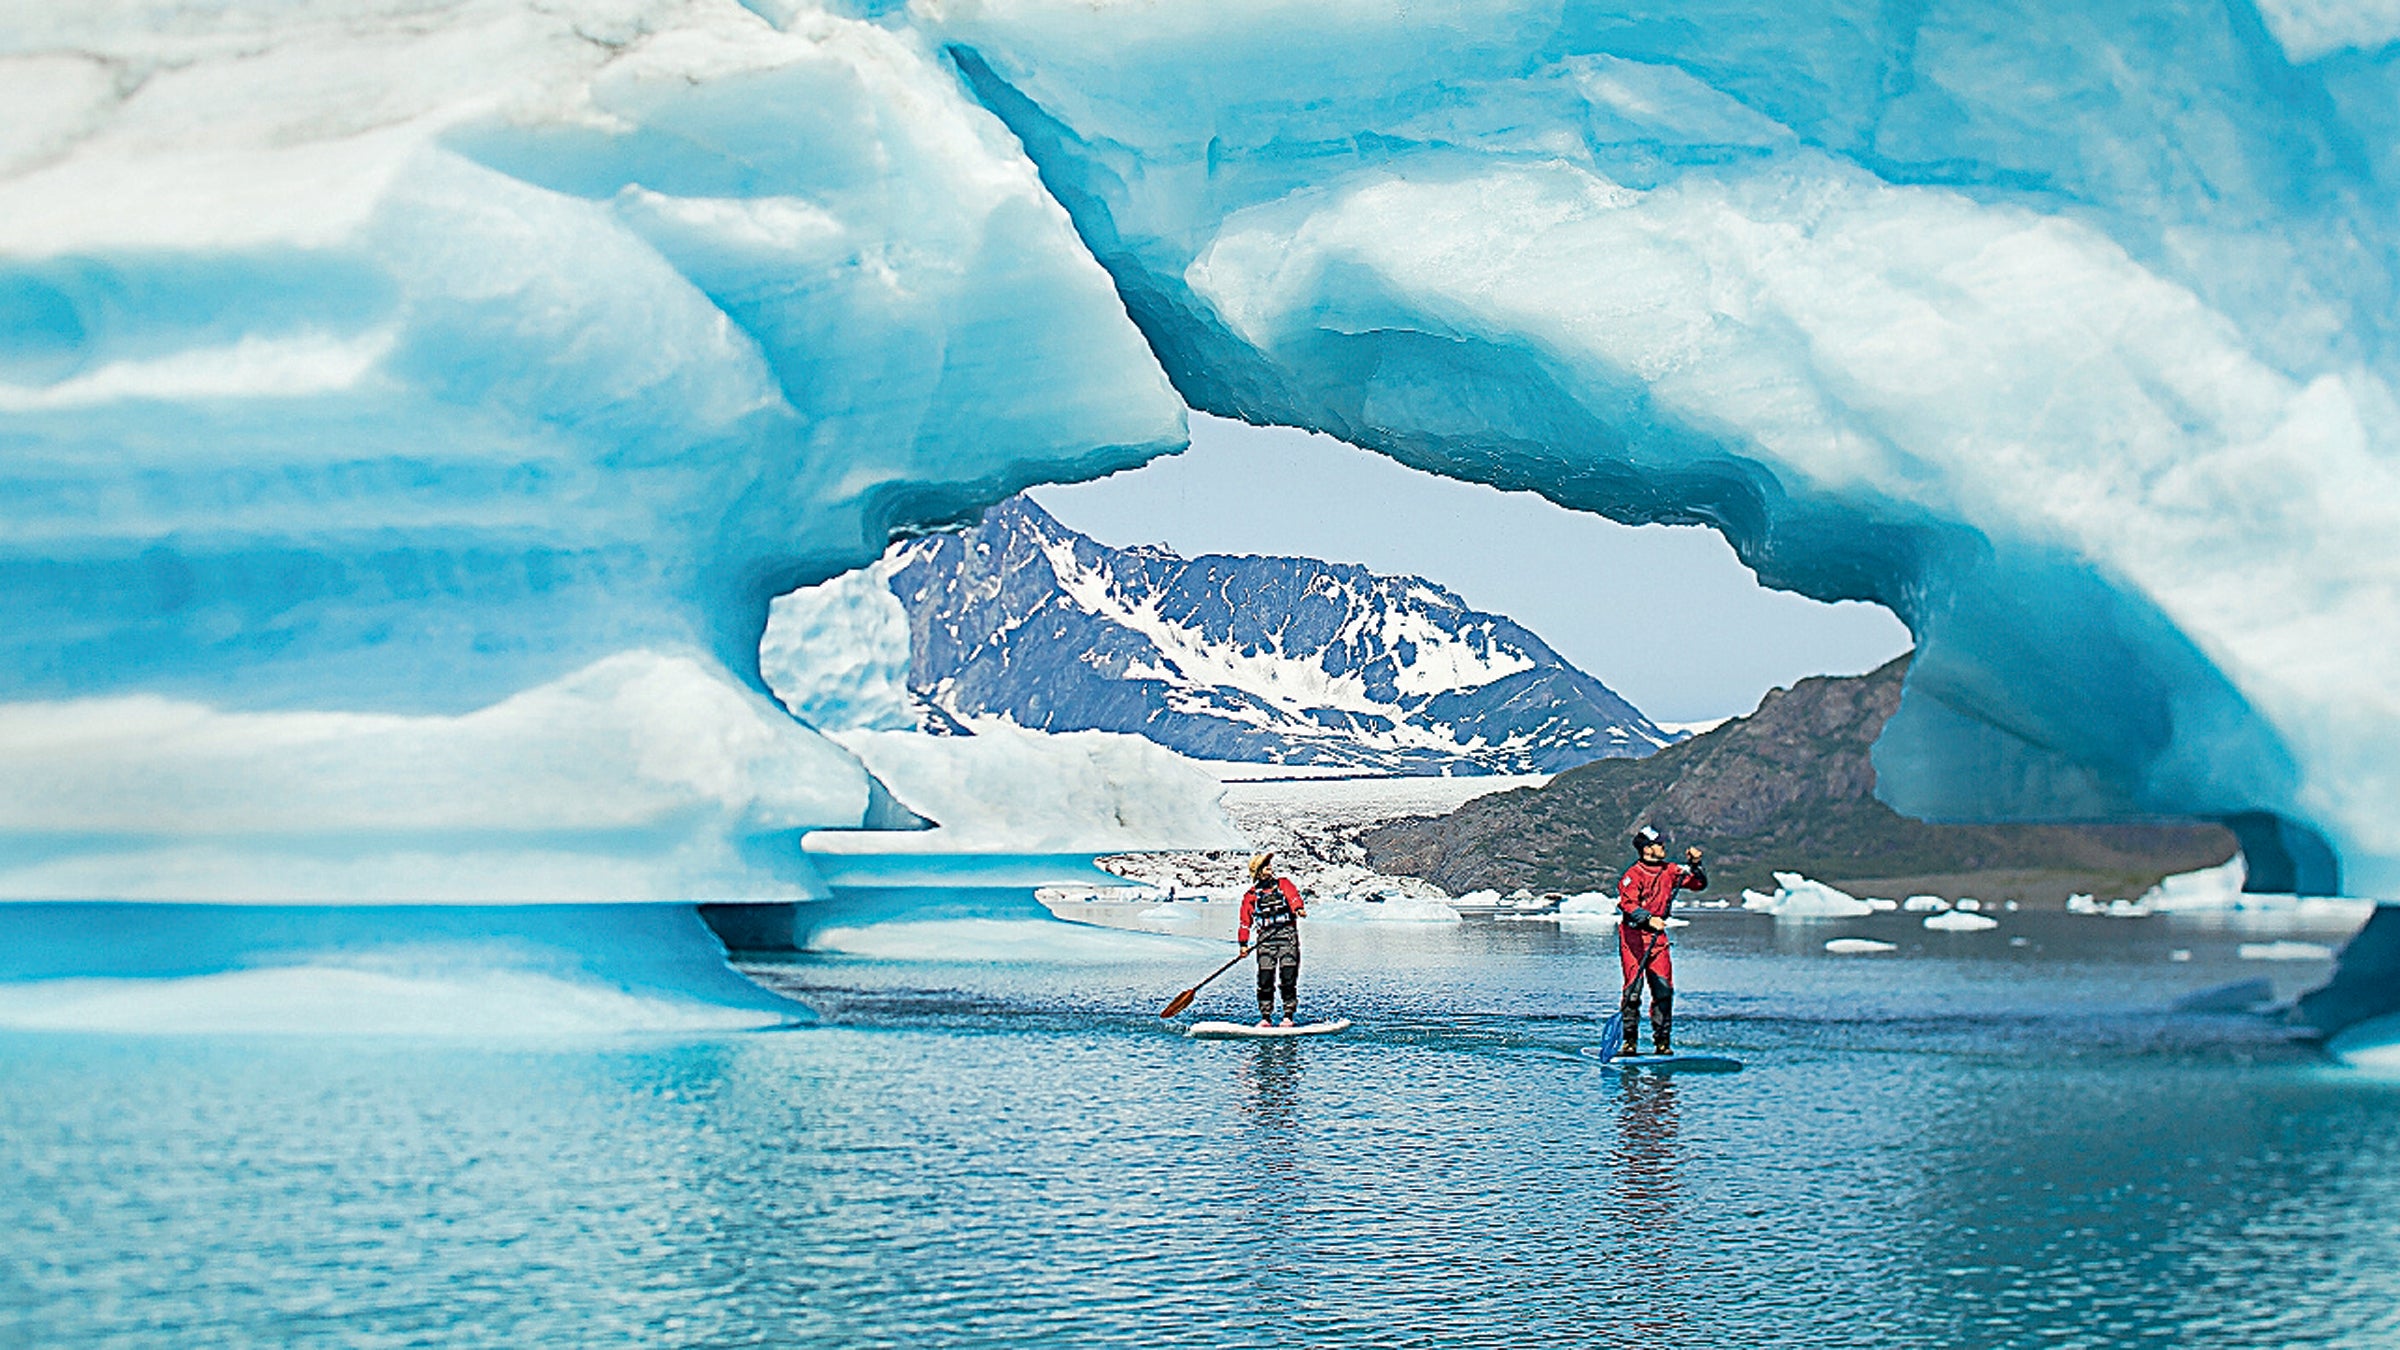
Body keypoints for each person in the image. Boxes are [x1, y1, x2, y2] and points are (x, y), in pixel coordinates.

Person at [1616, 825, 1706, 1056]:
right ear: (1646, 848)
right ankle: (1629, 1043)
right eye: (1658, 843)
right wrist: (1648, 918)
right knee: (1633, 993)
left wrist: (1695, 865)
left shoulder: (1671, 870)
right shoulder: (1632, 875)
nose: (1663, 846)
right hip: (1634, 939)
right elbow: (1627, 905)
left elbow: (1698, 885)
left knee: (1664, 992)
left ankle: (1663, 1043)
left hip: (1658, 941)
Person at [1238, 852, 1307, 1027]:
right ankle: (1265, 1017)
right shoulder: (1251, 895)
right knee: (1265, 979)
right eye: (1265, 864)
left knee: (1288, 977)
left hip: (1287, 937)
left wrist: (1298, 909)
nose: (1270, 866)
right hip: (1265, 941)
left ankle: (1288, 1016)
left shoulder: (1283, 884)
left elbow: (1293, 897)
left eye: (1269, 863)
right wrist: (1243, 944)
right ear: (1258, 871)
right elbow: (1245, 921)